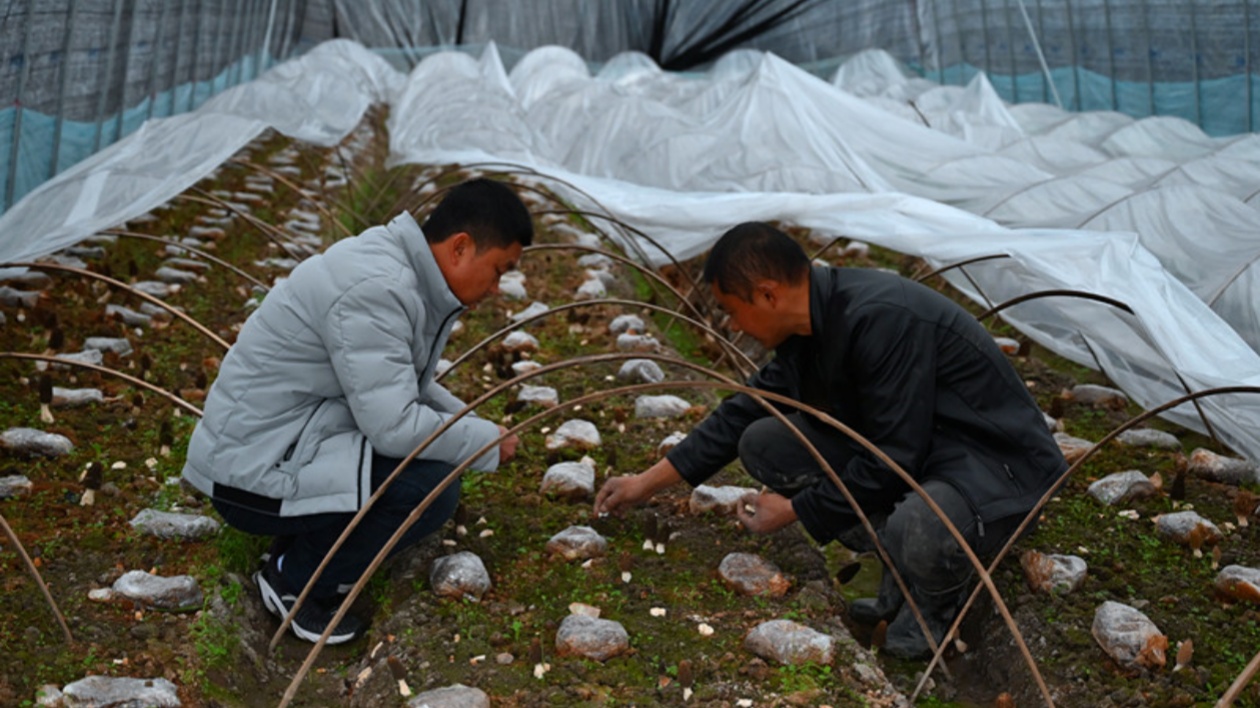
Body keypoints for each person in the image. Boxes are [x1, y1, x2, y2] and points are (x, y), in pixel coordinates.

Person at [595, 221, 1066, 659]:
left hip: (996, 466)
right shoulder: (809, 329)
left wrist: (798, 510)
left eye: (732, 311)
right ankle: (898, 570)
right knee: (765, 442)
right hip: (926, 448)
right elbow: (744, 410)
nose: (732, 326)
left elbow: (892, 459)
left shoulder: (880, 319)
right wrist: (645, 483)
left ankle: (935, 608)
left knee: (921, 525)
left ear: (766, 294)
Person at [182, 178, 532, 644]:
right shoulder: (378, 289)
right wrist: (483, 443)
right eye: (499, 270)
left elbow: (408, 386)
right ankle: (298, 583)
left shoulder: (398, 273)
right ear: (460, 248)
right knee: (428, 489)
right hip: (250, 472)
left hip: (282, 441)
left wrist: (475, 426)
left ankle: (298, 547)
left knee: (431, 462)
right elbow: (394, 426)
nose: (496, 288)